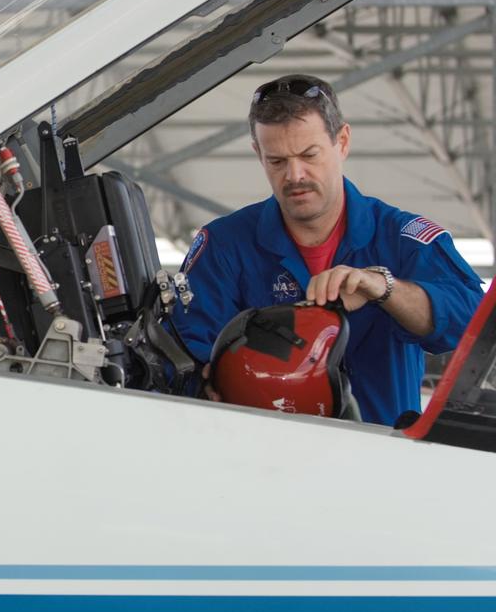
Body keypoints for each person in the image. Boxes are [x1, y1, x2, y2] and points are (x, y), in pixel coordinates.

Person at [170, 74, 484, 426]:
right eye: (277, 161)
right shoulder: (224, 246)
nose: (295, 175)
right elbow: (182, 357)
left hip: (381, 462)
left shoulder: (404, 238)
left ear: (342, 141)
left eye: (309, 155)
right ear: (258, 153)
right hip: (258, 462)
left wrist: (383, 287)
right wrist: (203, 384)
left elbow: (471, 321)